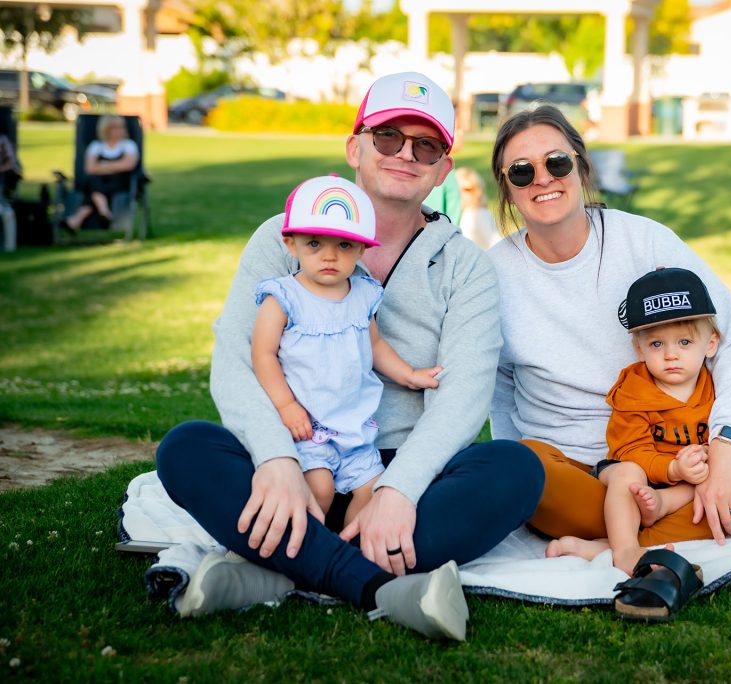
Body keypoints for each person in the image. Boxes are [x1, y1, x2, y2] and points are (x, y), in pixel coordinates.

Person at [155, 72, 545, 640]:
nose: (405, 154)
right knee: (187, 448)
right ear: (354, 146)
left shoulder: (466, 266)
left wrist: (397, 491)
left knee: (515, 470)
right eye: (388, 136)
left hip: (397, 471)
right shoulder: (284, 235)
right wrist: (275, 460)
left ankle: (282, 573)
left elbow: (463, 396)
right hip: (298, 454)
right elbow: (236, 358)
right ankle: (376, 585)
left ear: (441, 168)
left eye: (426, 145)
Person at [486, 105, 731, 558]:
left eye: (556, 162)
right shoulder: (493, 273)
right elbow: (497, 387)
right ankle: (724, 523)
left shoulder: (646, 241)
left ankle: (613, 544)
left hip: (694, 457)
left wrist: (727, 453)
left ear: (580, 165)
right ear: (506, 188)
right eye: (521, 171)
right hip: (584, 475)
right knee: (521, 466)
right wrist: (515, 484)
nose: (543, 179)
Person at [546, 267, 731, 573]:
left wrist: (705, 461)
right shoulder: (633, 389)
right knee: (626, 474)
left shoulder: (716, 384)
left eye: (684, 342)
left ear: (711, 344)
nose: (670, 355)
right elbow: (629, 449)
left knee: (724, 474)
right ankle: (626, 550)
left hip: (689, 487)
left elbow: (723, 443)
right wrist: (672, 468)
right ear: (638, 348)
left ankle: (611, 543)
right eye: (656, 344)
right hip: (642, 477)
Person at [251, 175, 442, 524]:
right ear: (291, 244)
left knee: (373, 491)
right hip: (307, 425)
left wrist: (410, 374)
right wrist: (285, 404)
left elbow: (375, 345)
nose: (329, 256)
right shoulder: (284, 298)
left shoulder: (362, 295)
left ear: (361, 250)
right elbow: (263, 355)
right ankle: (307, 548)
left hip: (355, 429)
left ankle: (349, 548)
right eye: (314, 244)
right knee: (318, 489)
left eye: (343, 246)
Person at [63, 114, 138, 232]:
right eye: (115, 127)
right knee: (93, 181)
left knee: (93, 188)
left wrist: (104, 165)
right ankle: (104, 212)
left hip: (119, 183)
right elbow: (90, 168)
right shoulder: (96, 146)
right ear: (106, 129)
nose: (120, 131)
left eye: (122, 127)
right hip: (97, 182)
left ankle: (76, 219)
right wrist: (116, 166)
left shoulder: (128, 145)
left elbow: (128, 165)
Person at [455, 167, 500, 249]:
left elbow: (496, 243)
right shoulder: (465, 214)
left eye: (468, 189)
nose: (462, 194)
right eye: (458, 189)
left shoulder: (478, 214)